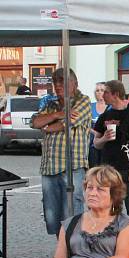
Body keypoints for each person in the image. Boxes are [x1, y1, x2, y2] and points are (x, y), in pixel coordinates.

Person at [31, 67, 92, 236]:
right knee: (53, 217)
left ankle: (73, 257)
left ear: (74, 84)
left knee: (71, 216)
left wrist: (50, 125)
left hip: (72, 167)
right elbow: (35, 122)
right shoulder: (50, 103)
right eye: (55, 82)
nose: (58, 85)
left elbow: (63, 124)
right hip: (49, 167)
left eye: (63, 82)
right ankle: (62, 253)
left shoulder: (83, 101)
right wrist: (57, 114)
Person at [92, 79, 129, 233]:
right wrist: (104, 138)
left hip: (128, 167)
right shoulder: (105, 116)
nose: (103, 95)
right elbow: (96, 143)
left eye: (106, 92)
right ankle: (110, 236)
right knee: (109, 205)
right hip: (108, 168)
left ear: (116, 94)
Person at [88, 82, 107, 168]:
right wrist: (95, 133)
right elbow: (84, 124)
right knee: (94, 170)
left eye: (102, 90)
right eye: (97, 91)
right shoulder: (90, 106)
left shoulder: (110, 107)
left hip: (107, 145)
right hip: (92, 146)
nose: (99, 92)